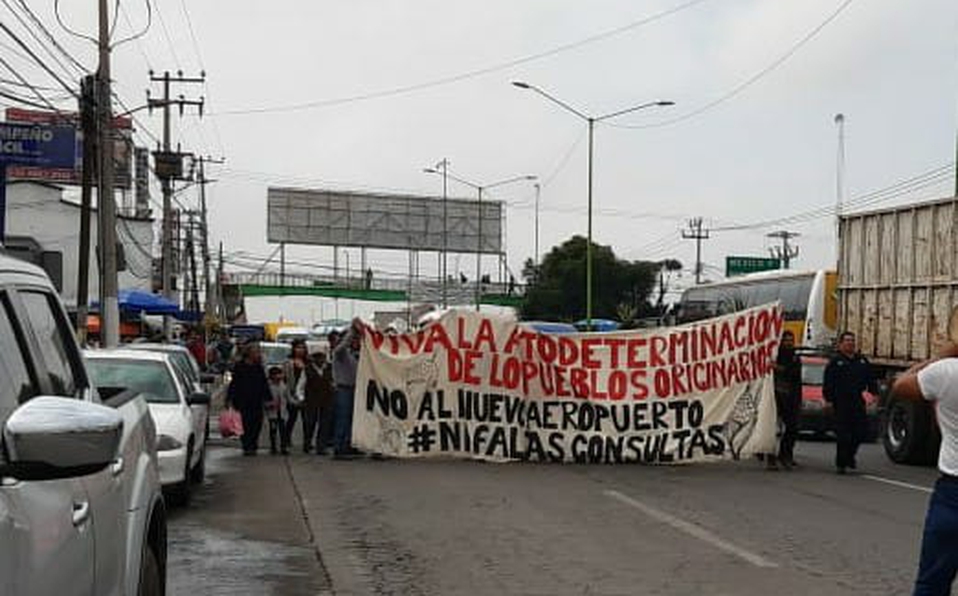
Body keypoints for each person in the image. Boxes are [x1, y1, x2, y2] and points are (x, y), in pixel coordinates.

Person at [892, 343, 958, 595]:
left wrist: (937, 357)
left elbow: (901, 384)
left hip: (953, 495)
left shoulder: (946, 372)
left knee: (932, 582)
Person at [823, 331, 878, 474]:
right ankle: (841, 463)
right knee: (843, 434)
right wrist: (828, 399)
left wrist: (874, 393)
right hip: (840, 401)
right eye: (847, 340)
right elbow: (828, 382)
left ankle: (850, 455)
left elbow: (870, 379)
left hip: (857, 400)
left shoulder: (861, 361)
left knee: (861, 431)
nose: (850, 343)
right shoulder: (835, 361)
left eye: (852, 340)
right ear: (840, 344)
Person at [226, 343, 270, 456]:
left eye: (258, 352)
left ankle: (253, 444)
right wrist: (229, 398)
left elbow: (264, 383)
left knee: (256, 423)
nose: (257, 354)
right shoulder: (240, 366)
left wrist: (268, 398)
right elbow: (234, 383)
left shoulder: (258, 367)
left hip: (256, 400)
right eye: (255, 352)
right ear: (249, 353)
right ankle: (247, 445)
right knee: (244, 423)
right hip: (242, 400)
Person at [768, 330, 802, 471]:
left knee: (792, 428)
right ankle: (770, 457)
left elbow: (794, 374)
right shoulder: (775, 355)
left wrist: (778, 368)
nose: (788, 343)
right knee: (771, 429)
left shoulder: (795, 358)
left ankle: (786, 454)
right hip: (775, 397)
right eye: (786, 340)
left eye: (790, 340)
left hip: (791, 398)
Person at [333, 318, 362, 458]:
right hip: (343, 388)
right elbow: (342, 347)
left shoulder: (355, 355)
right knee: (343, 418)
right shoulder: (340, 354)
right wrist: (352, 332)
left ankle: (348, 444)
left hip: (354, 389)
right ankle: (339, 447)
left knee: (352, 418)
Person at [284, 340, 313, 452]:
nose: (300, 350)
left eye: (302, 348)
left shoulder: (309, 362)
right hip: (292, 393)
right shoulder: (288, 362)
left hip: (307, 394)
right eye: (298, 348)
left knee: (307, 420)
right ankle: (286, 439)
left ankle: (307, 442)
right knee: (292, 418)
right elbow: (286, 378)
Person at [306, 350, 336, 455]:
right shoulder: (308, 369)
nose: (320, 359)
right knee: (311, 422)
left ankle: (321, 446)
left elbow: (334, 381)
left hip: (327, 399)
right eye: (317, 357)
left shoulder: (329, 368)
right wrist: (301, 398)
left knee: (325, 424)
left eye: (322, 357)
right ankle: (307, 443)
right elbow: (302, 384)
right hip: (312, 400)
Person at [265, 366, 289, 455]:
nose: (279, 376)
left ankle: (283, 447)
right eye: (277, 374)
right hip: (272, 412)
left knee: (283, 430)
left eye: (280, 374)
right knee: (273, 430)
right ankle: (273, 447)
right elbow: (264, 399)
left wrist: (296, 402)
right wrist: (268, 404)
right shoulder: (268, 386)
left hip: (282, 411)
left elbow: (287, 396)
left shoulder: (283, 385)